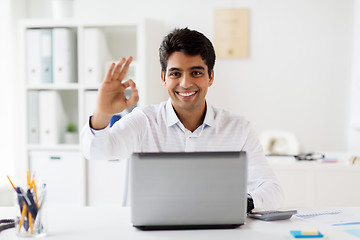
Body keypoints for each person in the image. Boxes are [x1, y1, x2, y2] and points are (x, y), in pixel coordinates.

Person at [80, 28, 284, 211]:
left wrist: (240, 202)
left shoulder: (238, 128)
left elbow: (272, 191)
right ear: (163, 78)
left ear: (210, 77)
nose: (185, 83)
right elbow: (96, 151)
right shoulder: (144, 121)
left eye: (196, 72)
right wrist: (102, 114)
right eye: (175, 73)